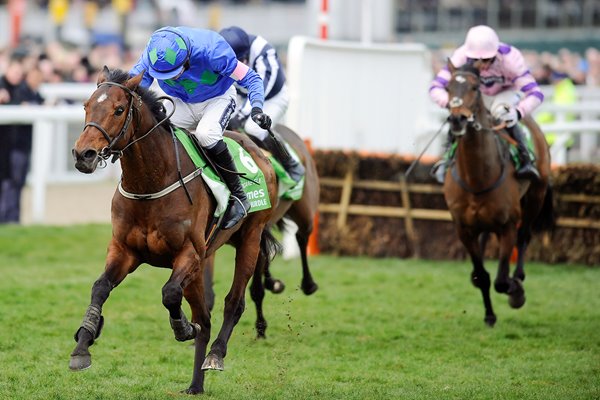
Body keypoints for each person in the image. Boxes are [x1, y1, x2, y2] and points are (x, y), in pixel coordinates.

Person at [129, 26, 272, 230]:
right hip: (181, 101)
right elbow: (130, 87)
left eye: (175, 73)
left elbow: (252, 78)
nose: (174, 78)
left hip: (217, 98)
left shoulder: (214, 51)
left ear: (187, 59)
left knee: (206, 135)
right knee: (158, 134)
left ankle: (239, 197)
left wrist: (257, 108)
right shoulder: (153, 54)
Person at [429, 25, 543, 182]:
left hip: (506, 92)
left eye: (487, 59)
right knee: (459, 115)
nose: (481, 65)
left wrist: (518, 112)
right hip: (477, 94)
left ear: (495, 54)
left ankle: (525, 159)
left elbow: (536, 93)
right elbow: (435, 88)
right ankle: (447, 158)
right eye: (475, 60)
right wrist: (452, 104)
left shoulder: (511, 59)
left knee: (501, 112)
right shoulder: (460, 56)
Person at [219, 26, 305, 183]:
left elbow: (262, 87)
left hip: (272, 97)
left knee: (253, 128)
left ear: (245, 56)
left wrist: (242, 114)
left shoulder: (264, 51)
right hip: (241, 97)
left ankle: (290, 162)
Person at [0, 57, 43, 223]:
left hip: (18, 145)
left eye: (20, 73)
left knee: (16, 182)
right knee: (8, 182)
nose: (18, 76)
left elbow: (38, 101)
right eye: (15, 72)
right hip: (6, 145)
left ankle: (12, 219)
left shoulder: (23, 88)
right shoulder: (3, 85)